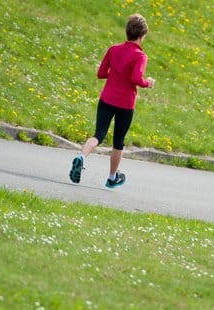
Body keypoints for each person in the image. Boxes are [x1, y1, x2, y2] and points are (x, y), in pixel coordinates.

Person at [69, 13, 155, 188]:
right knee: (118, 141)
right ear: (142, 36)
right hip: (125, 104)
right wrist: (148, 83)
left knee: (98, 135)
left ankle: (81, 157)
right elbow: (136, 78)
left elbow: (101, 73)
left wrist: (115, 76)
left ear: (127, 32)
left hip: (107, 99)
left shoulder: (113, 49)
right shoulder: (140, 56)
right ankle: (112, 177)